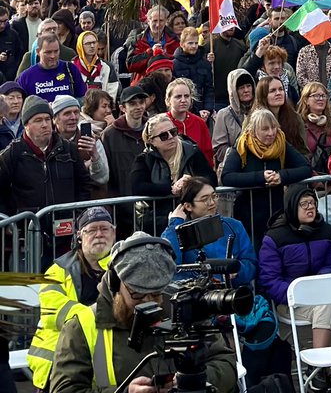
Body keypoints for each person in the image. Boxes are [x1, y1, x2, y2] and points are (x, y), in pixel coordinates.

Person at [49, 231, 237, 393]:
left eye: (156, 293)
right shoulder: (81, 327)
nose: (148, 302)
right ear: (116, 284)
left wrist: (191, 381)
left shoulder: (182, 309)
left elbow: (226, 363)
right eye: (137, 294)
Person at [259, 183, 331, 390]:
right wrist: (299, 292)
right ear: (291, 207)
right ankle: (318, 371)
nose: (310, 208)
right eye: (304, 204)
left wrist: (317, 283)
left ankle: (316, 369)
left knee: (330, 306)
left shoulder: (326, 231)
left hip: (321, 295)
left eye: (313, 203)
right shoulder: (275, 238)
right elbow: (270, 279)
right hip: (290, 301)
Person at [27, 206, 115, 391]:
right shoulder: (57, 270)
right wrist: (100, 314)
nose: (99, 234)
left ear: (113, 232)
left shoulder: (122, 268)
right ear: (80, 235)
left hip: (106, 357)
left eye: (104, 228)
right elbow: (53, 312)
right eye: (92, 229)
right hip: (58, 359)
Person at [0, 96, 92, 258]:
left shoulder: (69, 150)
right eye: (37, 120)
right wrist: (9, 220)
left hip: (66, 233)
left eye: (47, 119)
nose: (44, 125)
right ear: (26, 124)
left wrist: (78, 214)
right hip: (26, 236)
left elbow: (83, 184)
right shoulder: (12, 153)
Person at [221, 107, 312, 244]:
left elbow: (306, 168)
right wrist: (260, 177)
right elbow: (227, 176)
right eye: (265, 129)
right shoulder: (242, 145)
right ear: (253, 131)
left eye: (273, 127)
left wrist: (281, 176)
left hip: (277, 213)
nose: (271, 133)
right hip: (248, 215)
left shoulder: (281, 143)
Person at [130, 111, 217, 234]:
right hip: (157, 221)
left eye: (174, 132)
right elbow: (137, 187)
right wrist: (171, 189)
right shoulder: (144, 159)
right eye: (164, 136)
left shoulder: (192, 151)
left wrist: (190, 183)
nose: (171, 137)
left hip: (193, 218)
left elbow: (211, 178)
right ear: (152, 141)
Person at [162, 175, 257, 288]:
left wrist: (237, 269)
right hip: (196, 295)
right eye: (205, 199)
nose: (212, 202)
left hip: (233, 294)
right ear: (188, 206)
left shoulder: (234, 225)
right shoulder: (177, 230)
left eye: (214, 196)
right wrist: (174, 224)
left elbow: (251, 264)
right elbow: (168, 267)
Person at [51, 95, 110, 190]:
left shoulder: (91, 139)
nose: (73, 117)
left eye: (76, 112)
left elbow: (102, 179)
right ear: (54, 119)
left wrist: (95, 157)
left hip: (89, 200)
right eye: (67, 113)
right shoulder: (48, 142)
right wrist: (84, 166)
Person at [101, 85, 147, 200]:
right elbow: (106, 172)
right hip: (121, 202)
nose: (138, 107)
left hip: (151, 201)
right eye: (132, 103)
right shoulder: (109, 135)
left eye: (141, 102)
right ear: (122, 108)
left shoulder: (153, 129)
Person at [18, 34, 86, 101]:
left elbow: (82, 98)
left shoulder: (70, 69)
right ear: (38, 52)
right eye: (48, 52)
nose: (53, 56)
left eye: (56, 51)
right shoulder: (26, 77)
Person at [165, 77, 215, 168]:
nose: (183, 100)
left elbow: (207, 153)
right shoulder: (161, 123)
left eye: (187, 96)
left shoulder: (199, 123)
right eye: (178, 96)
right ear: (168, 100)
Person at [211, 70, 256, 170]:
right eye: (241, 88)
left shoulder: (260, 110)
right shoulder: (224, 114)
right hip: (234, 167)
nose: (246, 90)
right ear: (233, 90)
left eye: (248, 86)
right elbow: (219, 149)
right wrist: (241, 153)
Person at [297, 80, 331, 174]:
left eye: (323, 96)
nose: (321, 99)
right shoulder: (298, 123)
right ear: (306, 100)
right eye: (316, 95)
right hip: (308, 175)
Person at [171, 27, 215, 118]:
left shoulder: (204, 63)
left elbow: (209, 88)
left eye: (196, 43)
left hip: (202, 111)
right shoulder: (174, 64)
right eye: (190, 43)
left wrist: (208, 109)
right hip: (182, 111)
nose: (194, 46)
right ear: (182, 44)